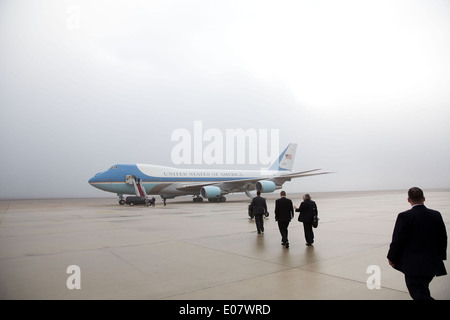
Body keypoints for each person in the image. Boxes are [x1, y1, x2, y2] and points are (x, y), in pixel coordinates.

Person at [387, 187, 447, 300]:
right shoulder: (436, 214)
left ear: (408, 200)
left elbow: (397, 240)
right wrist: (440, 256)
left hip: (413, 266)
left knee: (419, 295)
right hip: (431, 263)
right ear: (424, 198)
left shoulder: (404, 216)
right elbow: (443, 238)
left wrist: (391, 257)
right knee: (422, 290)